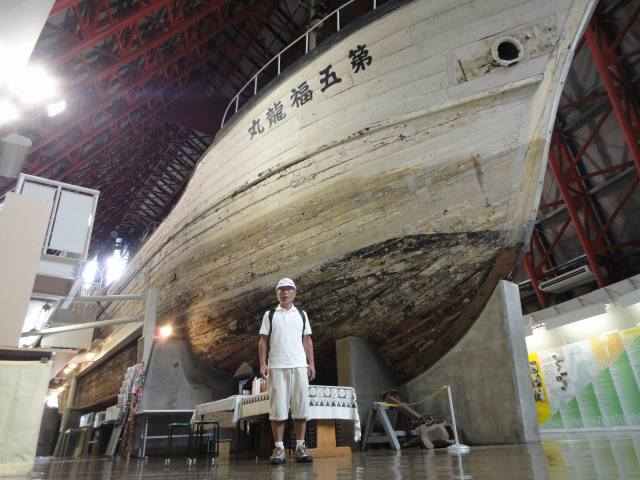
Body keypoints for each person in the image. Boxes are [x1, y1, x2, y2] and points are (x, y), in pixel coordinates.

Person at [258, 277, 316, 464]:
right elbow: (263, 341)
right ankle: (279, 448)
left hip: (299, 365)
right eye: (281, 289)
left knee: (301, 407)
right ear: (277, 293)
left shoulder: (301, 314)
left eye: (288, 289)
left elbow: (307, 340)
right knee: (278, 409)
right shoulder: (270, 315)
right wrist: (263, 364)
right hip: (277, 366)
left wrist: (311, 364)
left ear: (294, 292)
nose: (285, 292)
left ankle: (300, 446)